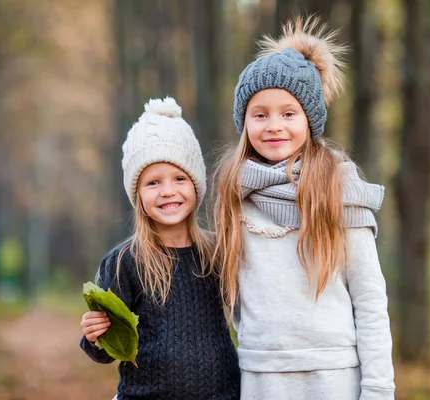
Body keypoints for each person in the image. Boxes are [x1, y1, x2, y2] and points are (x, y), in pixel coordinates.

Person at [212, 17, 395, 399]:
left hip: (333, 377)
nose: (273, 125)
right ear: (243, 123)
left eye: (289, 113)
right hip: (261, 377)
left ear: (310, 121)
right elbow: (234, 298)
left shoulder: (339, 190)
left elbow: (370, 300)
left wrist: (378, 390)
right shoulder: (234, 193)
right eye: (259, 114)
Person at [80, 96, 240, 400]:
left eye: (179, 178)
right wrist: (95, 336)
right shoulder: (124, 262)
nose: (168, 191)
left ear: (196, 185)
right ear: (137, 193)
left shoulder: (217, 251)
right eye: (153, 183)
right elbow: (106, 352)